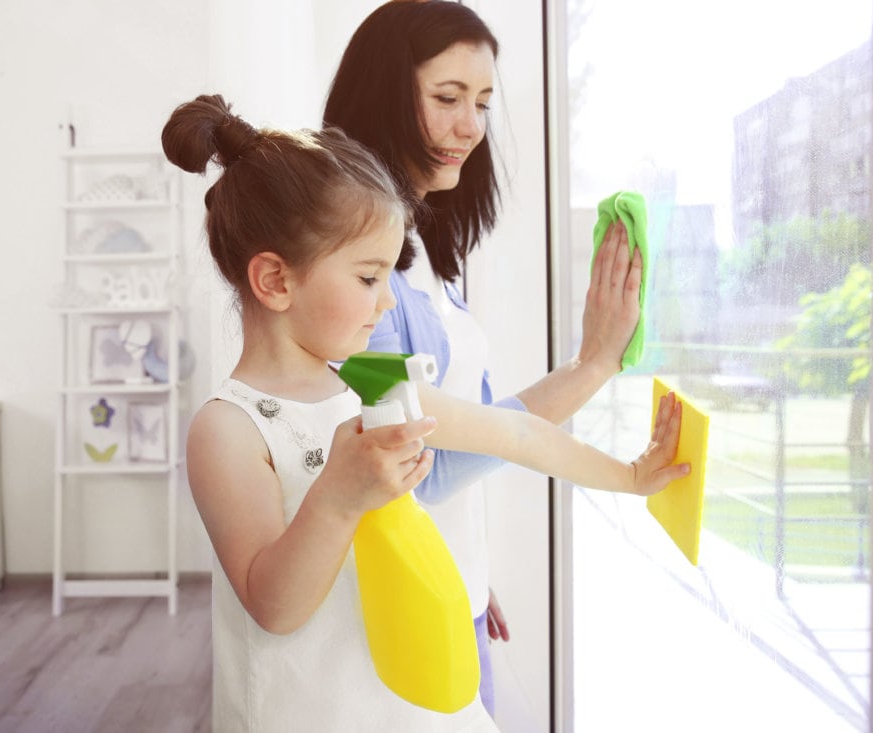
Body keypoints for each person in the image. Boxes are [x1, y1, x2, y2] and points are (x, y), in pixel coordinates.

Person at [163, 93, 686, 731]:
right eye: (367, 277)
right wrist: (337, 496)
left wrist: (630, 476)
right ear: (275, 280)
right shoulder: (228, 428)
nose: (386, 304)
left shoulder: (373, 386)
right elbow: (273, 606)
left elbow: (513, 431)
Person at [323, 0, 646, 715]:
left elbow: (467, 432)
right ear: (384, 94)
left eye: (483, 102)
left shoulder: (432, 258)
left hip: (453, 587)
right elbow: (422, 462)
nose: (471, 126)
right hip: (406, 611)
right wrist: (590, 366)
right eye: (447, 98)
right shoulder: (359, 274)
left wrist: (470, 565)